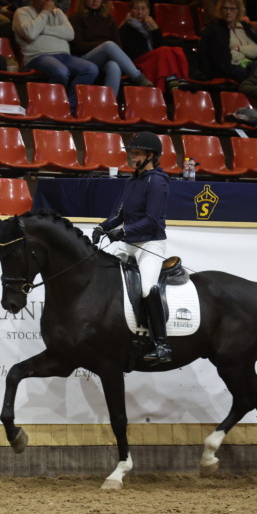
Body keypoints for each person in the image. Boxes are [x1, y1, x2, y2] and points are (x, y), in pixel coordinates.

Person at [92, 131, 171, 365]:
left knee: (147, 288)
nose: (131, 157)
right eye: (131, 153)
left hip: (150, 244)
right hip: (129, 244)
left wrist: (123, 232)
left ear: (150, 156)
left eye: (136, 153)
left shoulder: (157, 181)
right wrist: (103, 227)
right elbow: (119, 214)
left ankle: (162, 345)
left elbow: (151, 220)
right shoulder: (132, 181)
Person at [13, 0, 98, 110]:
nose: (48, 1)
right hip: (38, 56)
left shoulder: (58, 12)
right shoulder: (22, 12)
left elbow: (70, 34)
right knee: (61, 71)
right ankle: (53, 107)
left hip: (64, 55)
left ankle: (69, 107)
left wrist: (42, 29)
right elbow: (30, 33)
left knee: (91, 69)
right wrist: (45, 12)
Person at [68, 0, 152, 96]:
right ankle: (138, 77)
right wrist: (102, 46)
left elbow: (119, 45)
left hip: (106, 57)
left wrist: (105, 48)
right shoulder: (76, 18)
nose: (95, 1)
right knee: (109, 45)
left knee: (114, 66)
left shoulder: (108, 18)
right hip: (85, 58)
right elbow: (78, 46)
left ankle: (109, 102)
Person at [118, 0, 190, 92]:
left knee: (176, 50)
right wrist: (153, 54)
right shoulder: (126, 27)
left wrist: (155, 28)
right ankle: (171, 80)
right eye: (136, 8)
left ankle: (180, 79)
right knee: (164, 51)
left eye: (143, 8)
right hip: (137, 61)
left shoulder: (150, 25)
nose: (140, 12)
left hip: (152, 56)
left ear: (148, 11)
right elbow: (134, 51)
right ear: (131, 10)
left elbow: (160, 45)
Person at [199, 0, 257, 82]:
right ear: (221, 10)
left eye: (232, 9)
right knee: (250, 73)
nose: (228, 12)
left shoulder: (243, 27)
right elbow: (221, 56)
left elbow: (256, 50)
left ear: (238, 10)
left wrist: (238, 48)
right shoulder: (216, 29)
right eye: (225, 8)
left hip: (248, 64)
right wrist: (244, 53)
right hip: (230, 67)